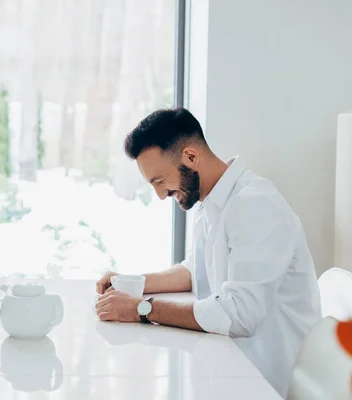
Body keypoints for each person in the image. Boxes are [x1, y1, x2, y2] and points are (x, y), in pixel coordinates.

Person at [95, 107, 321, 397]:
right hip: (230, 367)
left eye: (160, 181)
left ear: (190, 157)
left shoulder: (255, 205)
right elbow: (195, 272)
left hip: (268, 382)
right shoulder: (209, 202)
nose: (161, 195)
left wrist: (141, 308)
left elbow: (238, 315)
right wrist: (129, 283)